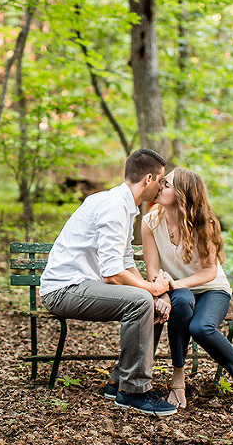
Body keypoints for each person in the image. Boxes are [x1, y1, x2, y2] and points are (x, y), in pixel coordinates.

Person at [40, 148, 178, 418]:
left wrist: (152, 295)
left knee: (147, 302)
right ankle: (134, 392)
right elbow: (112, 275)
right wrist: (151, 290)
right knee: (141, 301)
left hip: (81, 286)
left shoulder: (125, 207)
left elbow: (125, 262)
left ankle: (118, 382)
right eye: (160, 181)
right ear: (148, 179)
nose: (161, 187)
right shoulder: (113, 207)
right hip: (63, 290)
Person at [141, 165, 233, 413]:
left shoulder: (203, 223)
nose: (160, 186)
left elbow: (210, 272)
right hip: (178, 292)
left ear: (184, 193)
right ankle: (178, 380)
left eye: (167, 184)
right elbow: (152, 269)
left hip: (212, 289)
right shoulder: (150, 221)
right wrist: (163, 291)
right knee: (182, 301)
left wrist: (176, 284)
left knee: (201, 328)